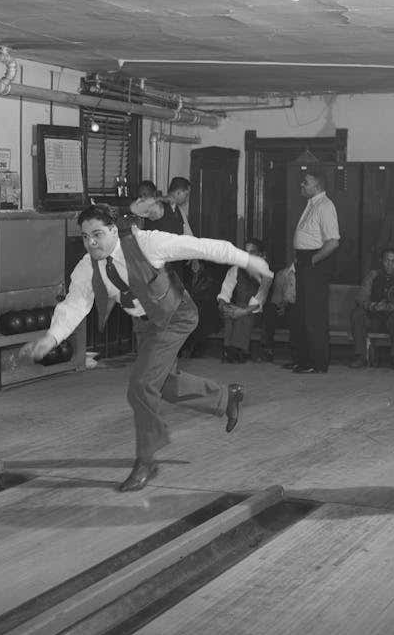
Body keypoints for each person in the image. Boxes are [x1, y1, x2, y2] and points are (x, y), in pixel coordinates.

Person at [19, 203, 272, 491]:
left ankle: (146, 461)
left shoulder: (147, 243)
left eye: (98, 234)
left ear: (114, 230)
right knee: (162, 384)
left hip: (176, 316)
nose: (91, 242)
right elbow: (75, 304)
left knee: (141, 386)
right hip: (145, 325)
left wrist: (247, 261)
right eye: (86, 236)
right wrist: (50, 339)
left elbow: (202, 247)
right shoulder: (85, 268)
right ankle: (226, 399)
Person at [289, 170, 341, 373]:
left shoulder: (326, 206)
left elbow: (333, 242)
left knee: (314, 315)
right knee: (301, 313)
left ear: (317, 185)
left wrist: (312, 260)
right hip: (304, 261)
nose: (302, 185)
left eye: (306, 182)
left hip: (315, 264)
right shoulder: (312, 204)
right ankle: (303, 360)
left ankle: (317, 363)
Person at [349, 248, 394, 370]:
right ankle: (360, 356)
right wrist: (372, 306)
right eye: (387, 261)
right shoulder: (372, 275)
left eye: (393, 261)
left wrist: (389, 307)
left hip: (392, 318)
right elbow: (361, 297)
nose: (390, 264)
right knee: (357, 314)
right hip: (373, 317)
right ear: (381, 261)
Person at [217, 238, 273, 362]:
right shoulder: (236, 269)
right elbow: (225, 291)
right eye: (245, 252)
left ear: (261, 255)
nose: (248, 255)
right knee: (230, 309)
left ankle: (238, 350)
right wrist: (223, 306)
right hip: (240, 308)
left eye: (252, 252)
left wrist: (242, 311)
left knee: (242, 311)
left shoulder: (266, 273)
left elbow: (260, 299)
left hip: (260, 312)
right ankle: (230, 350)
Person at [261, 262, 296, 363]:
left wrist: (286, 305)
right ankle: (268, 349)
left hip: (296, 308)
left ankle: (296, 353)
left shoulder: (305, 275)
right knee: (270, 311)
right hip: (284, 307)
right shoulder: (282, 274)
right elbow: (277, 296)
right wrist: (280, 306)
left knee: (295, 312)